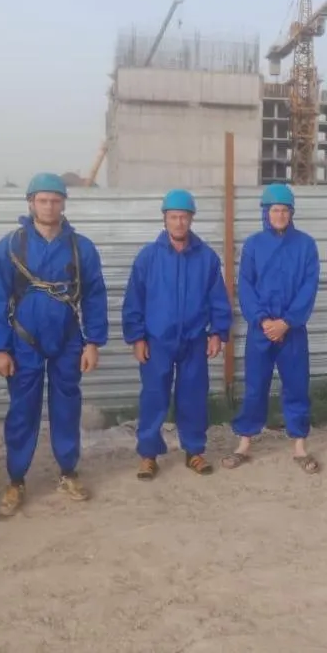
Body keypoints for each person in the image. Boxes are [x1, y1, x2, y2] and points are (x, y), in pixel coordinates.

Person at [0, 173, 109, 516]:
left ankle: (68, 472)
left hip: (68, 340)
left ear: (64, 203)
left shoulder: (81, 248)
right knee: (22, 411)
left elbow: (94, 296)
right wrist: (0, 348)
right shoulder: (11, 246)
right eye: (43, 200)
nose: (49, 206)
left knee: (67, 408)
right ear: (31, 203)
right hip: (23, 341)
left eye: (55, 200)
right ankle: (16, 479)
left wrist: (93, 342)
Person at [122, 189, 233, 480]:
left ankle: (194, 451)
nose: (179, 222)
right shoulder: (148, 258)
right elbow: (134, 300)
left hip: (194, 341)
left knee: (193, 397)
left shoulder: (206, 258)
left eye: (184, 217)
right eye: (173, 217)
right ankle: (148, 455)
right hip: (157, 341)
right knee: (153, 396)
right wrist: (137, 337)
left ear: (191, 219)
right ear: (165, 219)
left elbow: (218, 299)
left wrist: (218, 332)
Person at [222, 183, 321, 474]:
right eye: (274, 210)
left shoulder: (306, 245)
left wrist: (287, 321)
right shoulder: (253, 245)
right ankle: (244, 443)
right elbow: (246, 285)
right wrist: (263, 321)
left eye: (284, 210)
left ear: (292, 213)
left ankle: (300, 446)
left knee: (297, 386)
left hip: (293, 330)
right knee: (255, 386)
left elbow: (309, 286)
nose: (279, 215)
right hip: (261, 330)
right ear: (265, 213)